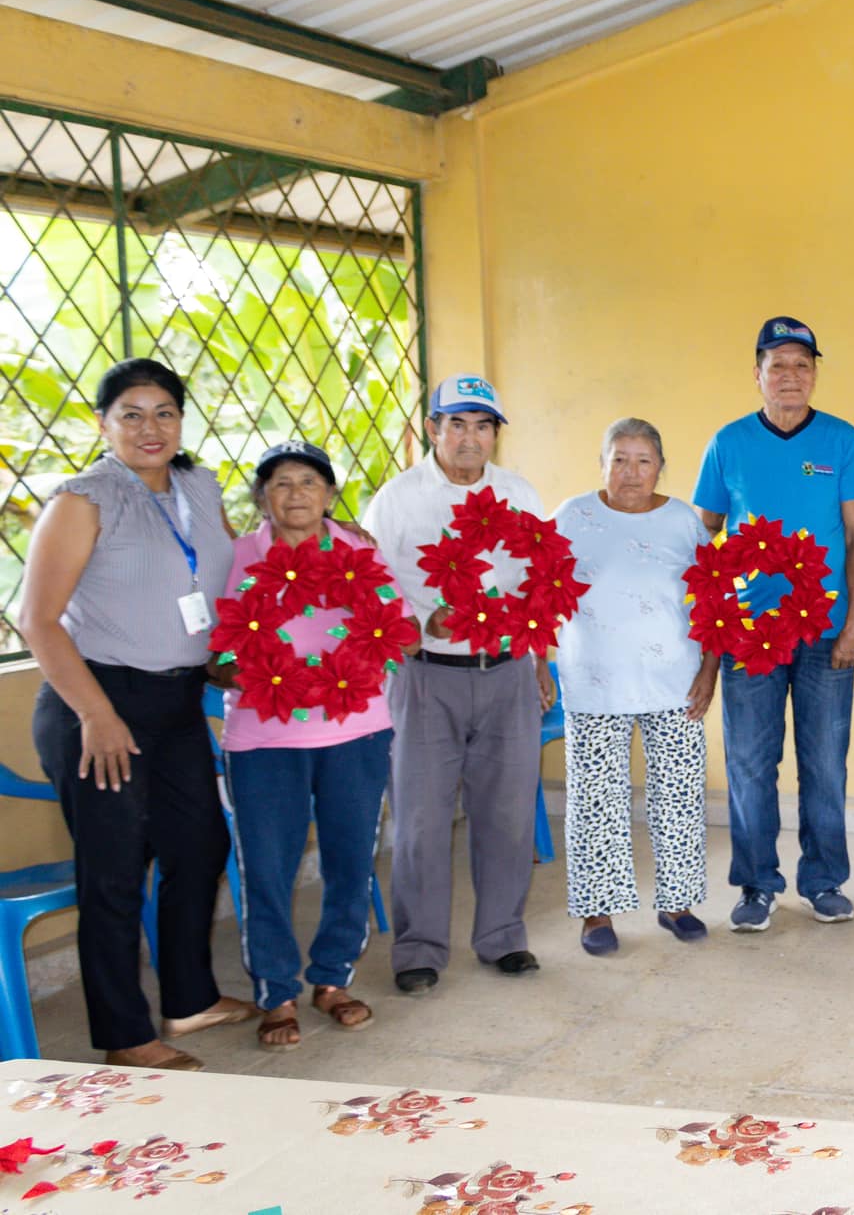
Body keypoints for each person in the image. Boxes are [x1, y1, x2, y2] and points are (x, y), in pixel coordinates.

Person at [21, 358, 254, 1070]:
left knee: (200, 845)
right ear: (103, 424)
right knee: (116, 869)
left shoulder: (198, 484)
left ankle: (189, 1000)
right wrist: (96, 715)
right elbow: (38, 620)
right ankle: (124, 1035)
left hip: (177, 701)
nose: (150, 428)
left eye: (164, 413)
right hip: (98, 703)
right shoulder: (83, 500)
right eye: (131, 414)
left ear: (181, 420)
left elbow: (224, 580)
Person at [361, 374, 554, 995]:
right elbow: (370, 589)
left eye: (483, 426)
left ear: (496, 433)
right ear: (433, 429)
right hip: (426, 677)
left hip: (507, 674)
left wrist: (540, 660)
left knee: (507, 815)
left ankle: (503, 936)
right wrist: (421, 623)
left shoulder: (518, 493)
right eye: (457, 424)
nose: (470, 438)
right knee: (421, 820)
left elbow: (540, 581)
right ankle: (418, 948)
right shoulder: (397, 500)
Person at [692, 317, 854, 931]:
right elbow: (701, 538)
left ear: (815, 374)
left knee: (825, 763)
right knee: (750, 762)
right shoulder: (727, 443)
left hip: (826, 634)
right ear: (758, 374)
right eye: (779, 365)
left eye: (803, 364)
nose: (791, 376)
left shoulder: (842, 441)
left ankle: (824, 881)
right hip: (750, 637)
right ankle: (756, 885)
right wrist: (713, 625)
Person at [215, 441, 396, 1050]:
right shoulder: (237, 557)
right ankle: (276, 993)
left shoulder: (359, 551)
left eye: (309, 482)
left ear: (330, 494)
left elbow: (396, 632)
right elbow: (211, 651)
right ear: (262, 496)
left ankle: (333, 979)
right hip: (262, 740)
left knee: (351, 860)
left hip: (356, 732)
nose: (296, 494)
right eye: (282, 483)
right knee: (267, 867)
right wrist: (246, 673)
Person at [552, 418, 720, 956]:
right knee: (595, 801)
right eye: (619, 459)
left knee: (679, 794)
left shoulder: (683, 522)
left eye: (643, 461)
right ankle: (597, 914)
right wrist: (536, 660)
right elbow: (538, 591)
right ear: (602, 463)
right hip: (593, 681)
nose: (631, 472)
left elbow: (715, 598)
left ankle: (678, 904)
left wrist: (710, 669)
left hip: (674, 681)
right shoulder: (571, 516)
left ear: (660, 467)